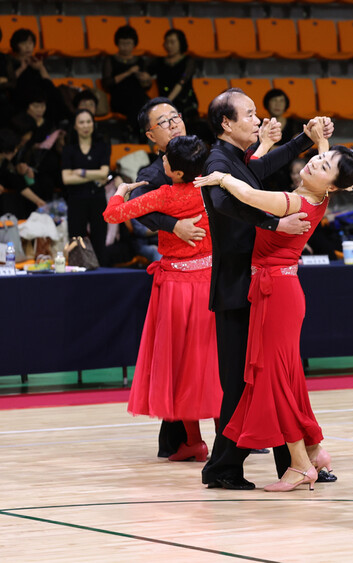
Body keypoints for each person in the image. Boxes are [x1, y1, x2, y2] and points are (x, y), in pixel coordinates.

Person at [194, 128, 353, 491]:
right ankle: (314, 448)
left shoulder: (295, 203)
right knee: (286, 377)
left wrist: (222, 177)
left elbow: (250, 195)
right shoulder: (315, 196)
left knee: (275, 379)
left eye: (324, 165)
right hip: (277, 290)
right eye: (318, 159)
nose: (316, 162)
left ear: (331, 186)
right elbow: (331, 170)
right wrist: (322, 142)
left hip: (277, 294)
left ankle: (300, 464)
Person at [199, 87, 321, 491]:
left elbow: (265, 168)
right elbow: (221, 202)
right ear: (226, 124)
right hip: (237, 286)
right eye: (248, 114)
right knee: (239, 381)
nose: (257, 119)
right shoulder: (217, 159)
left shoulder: (235, 157)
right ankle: (223, 468)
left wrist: (303, 140)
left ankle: (297, 461)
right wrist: (274, 225)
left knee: (271, 375)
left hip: (254, 283)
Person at [102, 136, 221, 462]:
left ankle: (194, 442)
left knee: (181, 367)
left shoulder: (165, 195)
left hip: (177, 288)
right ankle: (222, 445)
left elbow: (113, 216)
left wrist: (120, 192)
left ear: (177, 172)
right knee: (212, 367)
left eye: (166, 160)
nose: (162, 163)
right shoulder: (214, 189)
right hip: (212, 284)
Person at [61, 109, 111, 264]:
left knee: (99, 241)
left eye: (89, 121)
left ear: (93, 124)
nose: (85, 125)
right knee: (76, 240)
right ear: (75, 126)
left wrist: (81, 172)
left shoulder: (101, 146)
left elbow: (105, 173)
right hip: (76, 199)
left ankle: (101, 274)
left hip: (97, 198)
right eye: (81, 122)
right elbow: (66, 179)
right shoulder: (69, 149)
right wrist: (95, 175)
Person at [102, 25, 151, 133]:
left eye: (128, 43)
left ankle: (131, 128)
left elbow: (147, 86)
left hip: (138, 97)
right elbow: (107, 83)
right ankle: (138, 132)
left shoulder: (140, 61)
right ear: (117, 43)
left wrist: (146, 79)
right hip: (119, 98)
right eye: (122, 43)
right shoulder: (110, 60)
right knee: (141, 102)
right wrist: (128, 72)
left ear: (134, 44)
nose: (125, 47)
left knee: (140, 99)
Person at [148, 29, 198, 119]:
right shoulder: (159, 62)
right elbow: (147, 76)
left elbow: (182, 81)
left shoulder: (188, 61)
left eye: (172, 42)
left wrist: (168, 102)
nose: (169, 46)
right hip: (164, 99)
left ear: (181, 43)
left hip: (184, 100)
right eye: (167, 42)